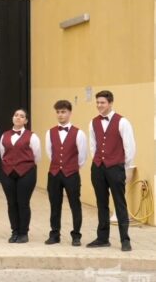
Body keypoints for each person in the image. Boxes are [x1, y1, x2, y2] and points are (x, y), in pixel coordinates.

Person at [87, 90, 136, 252]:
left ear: (110, 103)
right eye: (98, 102)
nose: (99, 105)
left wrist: (121, 164)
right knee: (101, 204)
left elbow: (130, 148)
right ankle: (102, 238)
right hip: (98, 168)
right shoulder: (93, 122)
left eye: (103, 102)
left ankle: (125, 240)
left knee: (120, 203)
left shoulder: (122, 122)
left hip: (116, 167)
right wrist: (97, 162)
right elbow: (93, 145)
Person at [45, 100, 87, 246]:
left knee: (75, 204)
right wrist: (59, 166)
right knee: (54, 205)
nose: (60, 115)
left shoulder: (79, 133)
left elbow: (82, 156)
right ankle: (54, 234)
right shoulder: (50, 132)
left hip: (72, 173)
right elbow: (50, 153)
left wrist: (72, 167)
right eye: (58, 112)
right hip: (54, 173)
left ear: (69, 113)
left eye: (63, 112)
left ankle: (76, 235)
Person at [0, 109, 41, 244]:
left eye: (22, 116)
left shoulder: (32, 136)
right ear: (12, 118)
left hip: (26, 173)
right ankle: (14, 231)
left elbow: (37, 156)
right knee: (11, 203)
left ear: (26, 121)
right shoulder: (4, 135)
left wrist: (24, 165)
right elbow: (2, 153)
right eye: (16, 115)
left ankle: (23, 233)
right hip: (8, 173)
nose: (18, 118)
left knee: (23, 203)